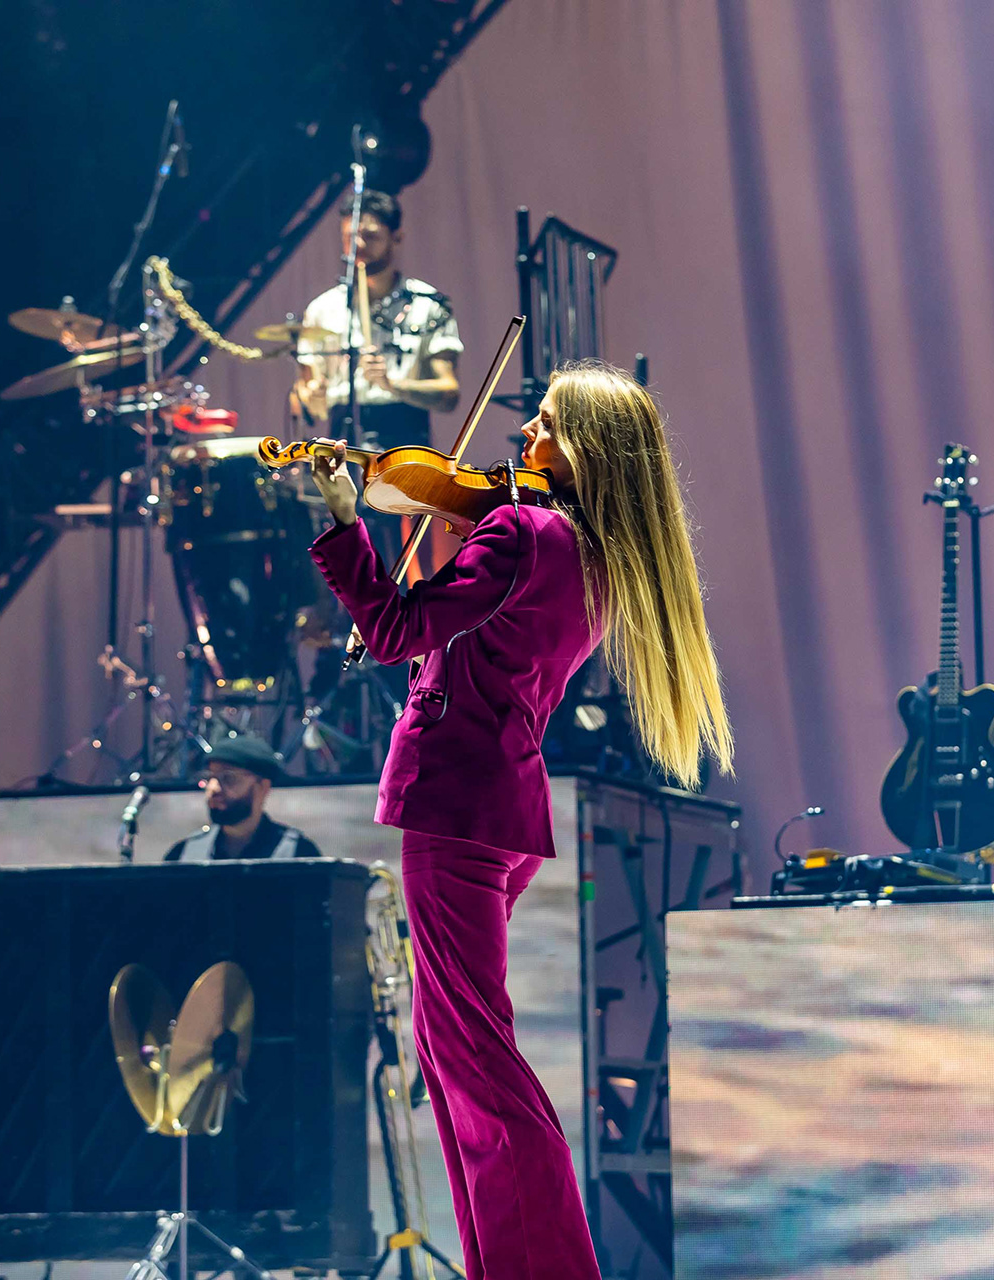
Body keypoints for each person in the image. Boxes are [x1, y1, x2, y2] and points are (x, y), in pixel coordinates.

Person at [304, 359, 733, 1278]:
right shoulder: (595, 557)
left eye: (544, 424)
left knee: (478, 1068)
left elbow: (393, 631)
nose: (524, 436)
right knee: (454, 1057)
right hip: (499, 812)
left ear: (585, 450)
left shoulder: (525, 531)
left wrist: (344, 524)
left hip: (457, 806)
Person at [293, 188, 462, 569]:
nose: (358, 246)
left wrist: (394, 384)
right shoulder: (323, 309)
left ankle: (419, 600)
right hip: (343, 429)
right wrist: (309, 395)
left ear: (396, 237)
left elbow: (449, 394)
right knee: (356, 542)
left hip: (404, 428)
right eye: (349, 236)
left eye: (369, 236)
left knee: (415, 545)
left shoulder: (427, 305)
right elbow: (306, 396)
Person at [163, 734, 323, 861]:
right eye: (209, 777)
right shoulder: (185, 854)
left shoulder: (298, 854)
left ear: (263, 787)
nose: (213, 788)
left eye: (229, 778)